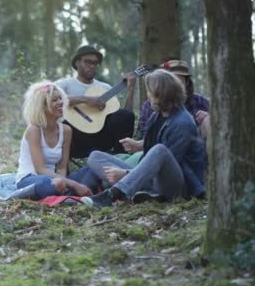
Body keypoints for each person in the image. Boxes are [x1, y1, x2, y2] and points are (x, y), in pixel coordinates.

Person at [80, 69, 206, 207]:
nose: (148, 96)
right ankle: (144, 192)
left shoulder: (183, 123)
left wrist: (125, 173)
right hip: (152, 179)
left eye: (150, 93)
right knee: (95, 156)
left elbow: (168, 160)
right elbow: (156, 146)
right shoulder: (158, 115)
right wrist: (137, 145)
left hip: (180, 187)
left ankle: (112, 195)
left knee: (160, 150)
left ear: (161, 94)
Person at [54, 45, 137, 158]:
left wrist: (131, 90)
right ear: (77, 63)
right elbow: (49, 99)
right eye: (88, 62)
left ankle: (120, 160)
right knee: (63, 125)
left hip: (99, 140)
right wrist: (85, 100)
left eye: (95, 63)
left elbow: (126, 117)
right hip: (73, 139)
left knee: (125, 115)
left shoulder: (105, 88)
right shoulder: (65, 84)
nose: (92, 66)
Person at [15, 80, 94, 199]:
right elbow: (40, 170)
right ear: (42, 106)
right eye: (54, 100)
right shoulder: (34, 130)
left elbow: (62, 167)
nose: (61, 102)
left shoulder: (66, 130)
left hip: (56, 179)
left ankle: (64, 193)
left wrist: (66, 182)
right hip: (30, 179)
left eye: (60, 98)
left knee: (92, 169)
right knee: (58, 183)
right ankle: (69, 192)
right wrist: (72, 184)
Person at [138, 59, 211, 145]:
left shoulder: (200, 101)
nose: (174, 85)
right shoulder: (150, 105)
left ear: (186, 81)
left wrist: (207, 119)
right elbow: (146, 135)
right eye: (172, 80)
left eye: (178, 80)